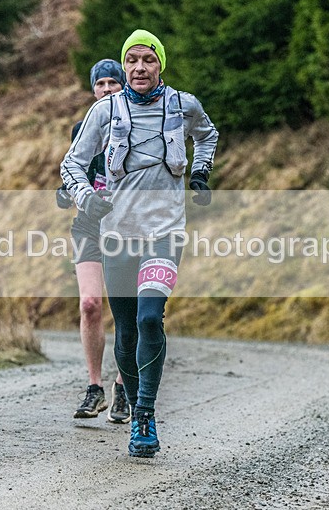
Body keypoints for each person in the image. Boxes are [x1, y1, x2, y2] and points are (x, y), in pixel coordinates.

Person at [60, 30, 218, 457]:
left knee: (150, 318)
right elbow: (71, 163)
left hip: (164, 233)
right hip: (116, 236)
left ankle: (144, 415)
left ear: (160, 64)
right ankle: (131, 406)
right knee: (127, 330)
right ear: (124, 65)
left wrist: (200, 171)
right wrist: (86, 198)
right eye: (132, 60)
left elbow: (207, 134)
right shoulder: (105, 110)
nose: (139, 68)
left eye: (148, 59)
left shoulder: (183, 104)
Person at [56, 59, 131, 423]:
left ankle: (123, 387)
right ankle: (94, 387)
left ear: (123, 85)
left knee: (126, 310)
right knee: (89, 304)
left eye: (113, 82)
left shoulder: (137, 125)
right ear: (93, 89)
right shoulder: (82, 127)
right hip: (88, 226)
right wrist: (65, 190)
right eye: (100, 84)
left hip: (127, 228)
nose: (106, 89)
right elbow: (76, 168)